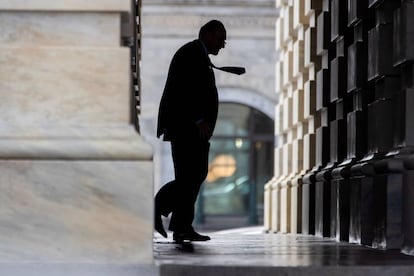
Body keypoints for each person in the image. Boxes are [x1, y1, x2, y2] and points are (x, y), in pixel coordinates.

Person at [154, 19, 227, 243]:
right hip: (187, 129)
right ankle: (160, 209)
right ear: (207, 34)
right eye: (220, 38)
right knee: (190, 177)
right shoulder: (192, 53)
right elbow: (183, 91)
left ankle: (182, 226)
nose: (223, 44)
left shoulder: (196, 53)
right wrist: (198, 120)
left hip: (190, 130)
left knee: (192, 176)